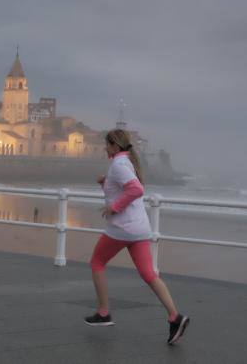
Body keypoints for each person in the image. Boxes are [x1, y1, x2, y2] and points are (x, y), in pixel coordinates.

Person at [85, 129, 190, 345]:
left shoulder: (119, 164)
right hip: (140, 228)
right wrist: (106, 182)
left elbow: (136, 189)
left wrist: (114, 207)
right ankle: (175, 317)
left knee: (97, 262)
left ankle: (103, 312)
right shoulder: (125, 163)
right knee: (149, 274)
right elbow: (125, 186)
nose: (104, 148)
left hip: (123, 228)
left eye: (106, 145)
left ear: (114, 146)